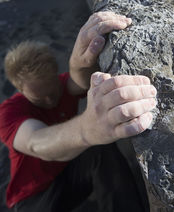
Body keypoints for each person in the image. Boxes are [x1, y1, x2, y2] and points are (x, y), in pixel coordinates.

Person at [0, 11, 157, 212]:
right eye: (39, 98)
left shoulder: (61, 85)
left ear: (56, 75)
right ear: (19, 89)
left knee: (101, 148)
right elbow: (35, 143)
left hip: (69, 174)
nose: (50, 101)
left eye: (53, 92)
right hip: (33, 197)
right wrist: (86, 130)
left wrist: (78, 63)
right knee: (94, 139)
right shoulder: (8, 112)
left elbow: (78, 81)